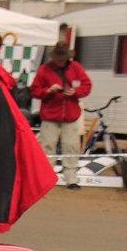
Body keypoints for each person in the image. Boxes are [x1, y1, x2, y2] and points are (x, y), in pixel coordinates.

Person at [31, 42, 93, 190]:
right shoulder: (45, 70)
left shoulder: (76, 68)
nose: (59, 60)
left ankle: (71, 178)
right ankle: (46, 178)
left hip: (70, 115)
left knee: (71, 146)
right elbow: (34, 90)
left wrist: (75, 91)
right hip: (50, 115)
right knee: (47, 146)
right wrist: (48, 91)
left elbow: (86, 85)